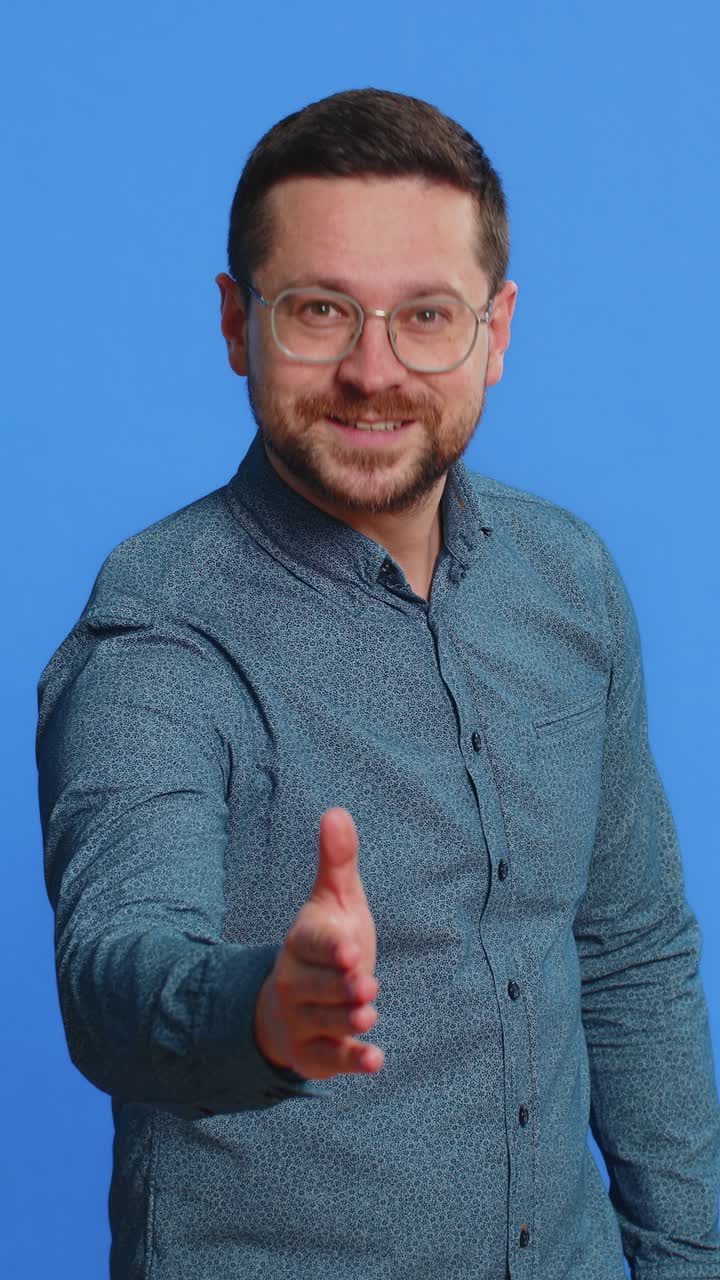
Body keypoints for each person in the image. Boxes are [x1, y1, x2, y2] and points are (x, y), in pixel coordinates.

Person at [36, 87, 720, 1280]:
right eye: (319, 310)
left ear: (496, 331)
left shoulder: (570, 576)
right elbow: (113, 970)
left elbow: (628, 949)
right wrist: (258, 1008)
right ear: (234, 319)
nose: (373, 369)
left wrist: (689, 1254)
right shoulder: (157, 630)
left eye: (427, 316)